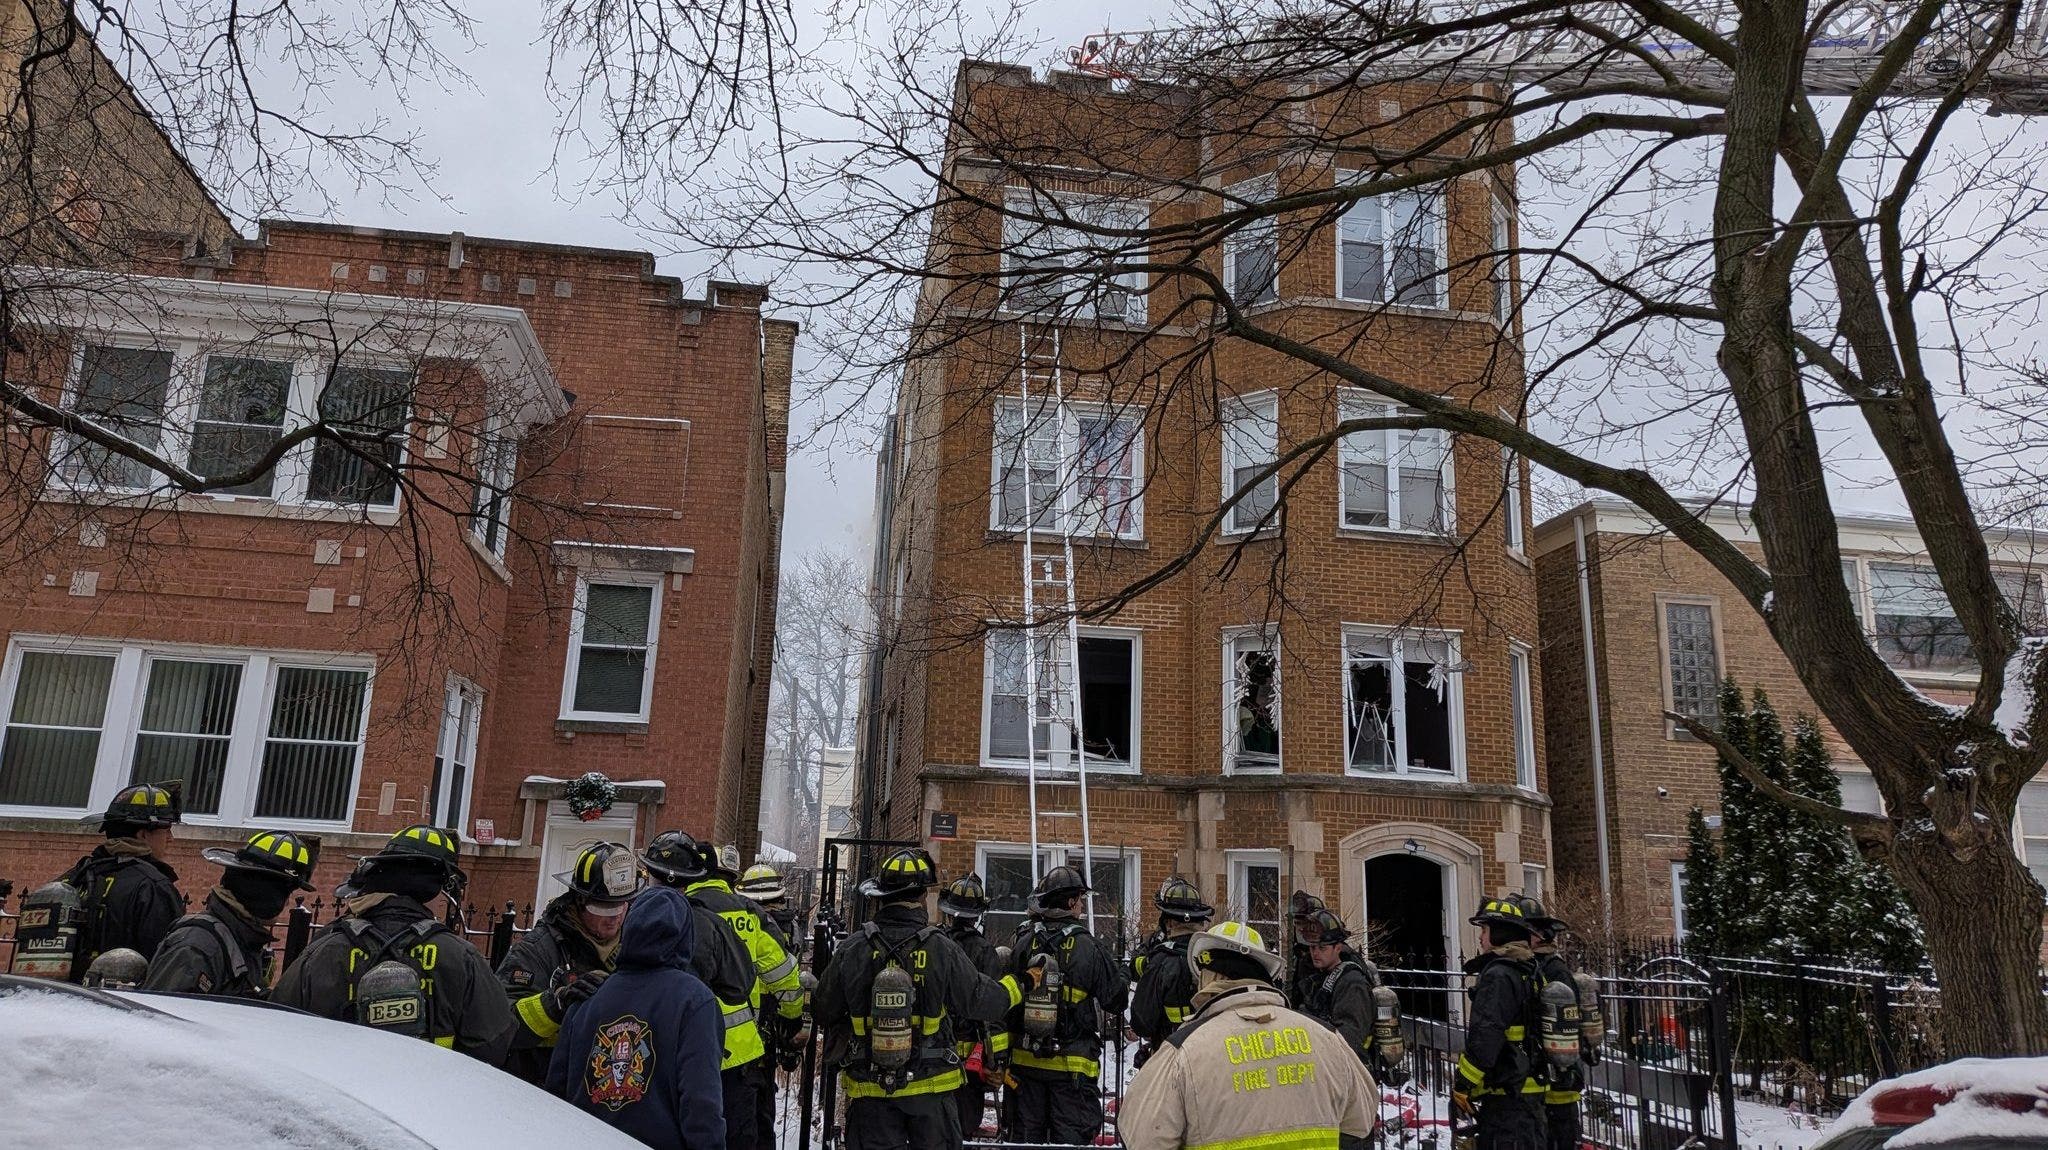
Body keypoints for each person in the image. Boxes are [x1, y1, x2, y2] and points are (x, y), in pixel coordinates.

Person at [813, 848, 1035, 1150]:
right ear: (920, 898)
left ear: (880, 896)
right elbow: (983, 1001)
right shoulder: (940, 948)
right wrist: (1022, 982)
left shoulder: (853, 949)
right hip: (932, 1093)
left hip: (871, 1091)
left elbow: (823, 1009)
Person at [1119, 921, 1377, 1150]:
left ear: (1210, 976)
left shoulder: (1182, 1052)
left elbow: (1142, 1138)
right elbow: (1361, 1122)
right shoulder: (1328, 1039)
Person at [271, 825, 513, 1064]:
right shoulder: (461, 958)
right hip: (430, 1098)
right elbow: (494, 1045)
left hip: (337, 1096)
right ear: (438, 886)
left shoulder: (325, 951)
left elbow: (276, 1028)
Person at [547, 884, 726, 1150]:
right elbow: (701, 1103)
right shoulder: (694, 1001)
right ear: (685, 937)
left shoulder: (589, 998)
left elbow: (555, 1092)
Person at [640, 831, 785, 1150]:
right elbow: (770, 976)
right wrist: (789, 1021)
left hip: (658, 1052)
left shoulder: (642, 917)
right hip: (738, 1054)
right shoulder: (740, 917)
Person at [496, 841, 644, 1085]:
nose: (615, 917)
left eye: (622, 905)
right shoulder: (538, 951)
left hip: (609, 1089)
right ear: (579, 901)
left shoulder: (635, 946)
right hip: (547, 1088)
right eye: (604, 907)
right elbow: (501, 1024)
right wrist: (556, 1004)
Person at [1004, 864, 1130, 1145]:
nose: (1082, 905)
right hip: (1072, 1069)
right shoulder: (1090, 947)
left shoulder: (1024, 943)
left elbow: (1007, 1005)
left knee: (1025, 1140)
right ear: (1071, 902)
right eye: (1081, 900)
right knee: (1069, 1141)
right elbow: (1116, 999)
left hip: (1026, 1065)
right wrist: (1122, 973)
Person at [143, 829, 318, 997]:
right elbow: (160, 1019)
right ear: (264, 893)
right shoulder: (197, 947)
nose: (287, 902)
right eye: (285, 893)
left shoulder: (240, 940)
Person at [59, 784, 186, 976]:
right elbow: (165, 964)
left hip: (60, 997)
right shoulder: (153, 887)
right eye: (166, 829)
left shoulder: (75, 877)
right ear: (143, 834)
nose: (171, 838)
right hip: (119, 1000)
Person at [1455, 896, 1549, 1150]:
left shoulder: (1498, 975)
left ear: (1500, 932)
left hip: (1507, 1096)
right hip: (1528, 1092)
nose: (1480, 937)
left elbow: (1486, 1035)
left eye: (1485, 930)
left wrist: (1463, 1084)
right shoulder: (1529, 969)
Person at [736, 856, 808, 1150]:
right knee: (763, 1107)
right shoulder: (789, 928)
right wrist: (792, 1025)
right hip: (771, 1026)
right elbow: (791, 982)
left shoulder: (736, 922)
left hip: (739, 1026)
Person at [939, 872, 1006, 1138]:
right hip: (969, 1063)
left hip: (931, 1057)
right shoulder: (983, 951)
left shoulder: (933, 944)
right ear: (978, 915)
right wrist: (996, 1061)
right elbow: (992, 1010)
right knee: (963, 1129)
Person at [1522, 894, 1588, 1150]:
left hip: (1557, 1083)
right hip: (1553, 1081)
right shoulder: (1541, 967)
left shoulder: (1550, 970)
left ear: (1537, 935)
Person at [1129, 875, 1211, 1058]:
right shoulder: (1217, 956)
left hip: (1170, 1055)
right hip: (1210, 1056)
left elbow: (1142, 1022)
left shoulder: (1161, 960)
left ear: (1168, 922)